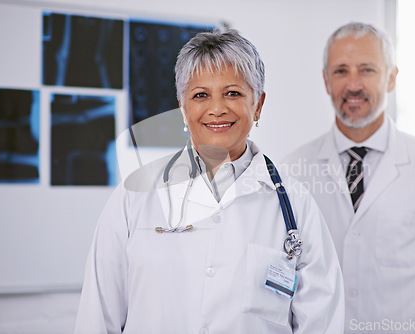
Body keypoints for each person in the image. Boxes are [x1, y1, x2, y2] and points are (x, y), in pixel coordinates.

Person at [74, 29, 344, 333]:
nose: (217, 108)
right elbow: (97, 319)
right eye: (200, 95)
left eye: (233, 93)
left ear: (258, 104)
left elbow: (322, 324)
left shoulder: (297, 205)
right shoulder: (134, 195)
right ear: (183, 107)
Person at [283, 22, 415, 333]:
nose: (353, 84)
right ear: (325, 80)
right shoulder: (292, 170)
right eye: (341, 70)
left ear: (391, 78)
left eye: (367, 69)